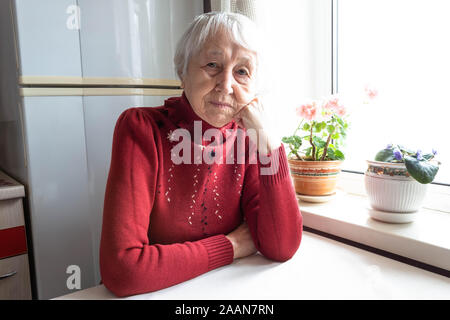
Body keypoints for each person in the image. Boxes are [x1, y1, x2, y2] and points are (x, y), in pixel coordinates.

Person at [99, 11, 302, 297]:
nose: (227, 84)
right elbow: (123, 271)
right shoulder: (141, 129)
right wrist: (231, 246)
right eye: (212, 65)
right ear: (183, 73)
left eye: (242, 71)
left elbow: (281, 247)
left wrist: (269, 146)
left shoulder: (250, 139)